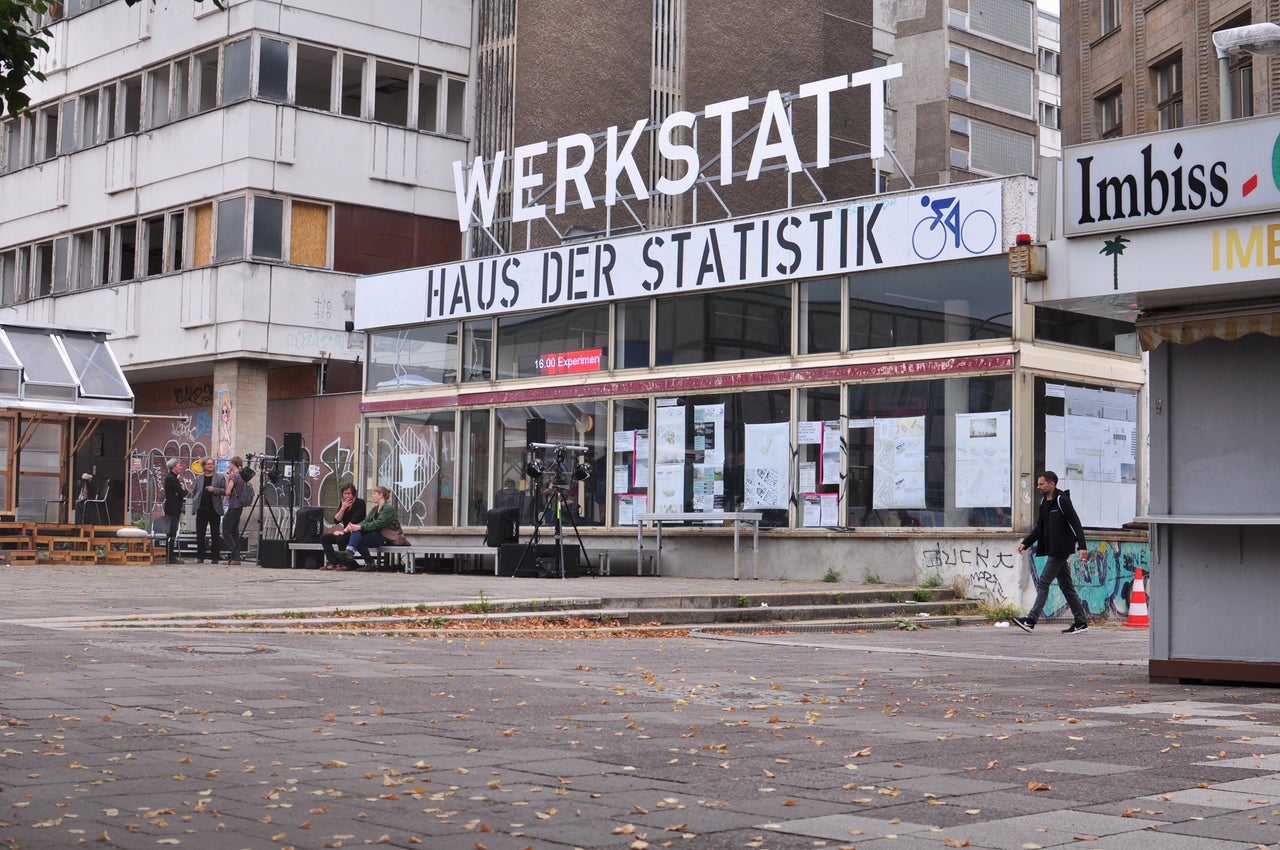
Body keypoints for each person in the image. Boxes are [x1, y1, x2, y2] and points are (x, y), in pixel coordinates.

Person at [1014, 471, 1090, 634]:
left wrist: (1082, 546)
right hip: (1053, 548)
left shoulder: (1062, 500)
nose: (1038, 487)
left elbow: (1076, 523)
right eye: (1038, 484)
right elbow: (1040, 527)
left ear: (1051, 484)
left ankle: (1031, 620)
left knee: (1043, 582)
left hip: (1061, 549)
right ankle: (1081, 622)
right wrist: (1026, 543)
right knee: (1066, 587)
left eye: (1041, 484)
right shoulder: (1044, 502)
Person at [337, 485, 401, 572]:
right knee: (357, 536)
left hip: (385, 537)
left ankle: (350, 552)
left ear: (381, 495)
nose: (372, 496)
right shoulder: (375, 508)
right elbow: (366, 521)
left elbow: (378, 524)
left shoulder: (388, 508)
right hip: (376, 535)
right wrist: (352, 527)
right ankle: (368, 563)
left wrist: (360, 527)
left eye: (374, 494)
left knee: (358, 532)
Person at [320, 484, 366, 571]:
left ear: (353, 494)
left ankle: (345, 563)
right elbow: (336, 520)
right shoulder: (343, 503)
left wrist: (343, 532)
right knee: (325, 538)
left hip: (355, 532)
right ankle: (333, 562)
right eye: (345, 494)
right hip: (345, 531)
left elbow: (354, 521)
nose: (346, 496)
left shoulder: (360, 503)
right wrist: (343, 508)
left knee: (340, 538)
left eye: (349, 493)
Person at [193, 457, 226, 564]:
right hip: (201, 509)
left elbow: (225, 491)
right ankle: (200, 556)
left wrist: (214, 490)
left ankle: (215, 557)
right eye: (208, 464)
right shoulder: (199, 479)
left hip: (214, 509)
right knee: (200, 533)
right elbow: (195, 492)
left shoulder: (220, 477)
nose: (210, 466)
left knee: (215, 533)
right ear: (204, 466)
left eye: (212, 464)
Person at [221, 456, 246, 565]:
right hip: (240, 505)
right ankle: (237, 557)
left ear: (233, 464)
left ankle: (235, 556)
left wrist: (228, 478)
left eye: (230, 464)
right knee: (235, 531)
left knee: (226, 530)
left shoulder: (234, 476)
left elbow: (227, 491)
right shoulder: (243, 476)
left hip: (233, 505)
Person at [162, 458, 187, 564]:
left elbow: (179, 492)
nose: (181, 467)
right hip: (172, 507)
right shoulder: (171, 478)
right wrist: (182, 491)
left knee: (172, 532)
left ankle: (171, 556)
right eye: (179, 465)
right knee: (171, 532)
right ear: (173, 467)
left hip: (174, 506)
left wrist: (180, 491)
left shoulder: (173, 478)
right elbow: (182, 492)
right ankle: (170, 557)